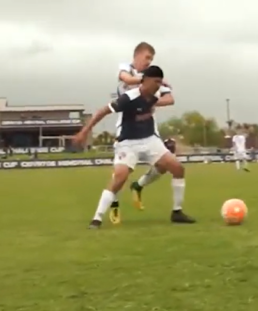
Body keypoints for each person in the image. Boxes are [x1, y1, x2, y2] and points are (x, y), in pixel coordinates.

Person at [74, 65, 194, 229]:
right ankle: (97, 218)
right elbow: (102, 111)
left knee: (178, 168)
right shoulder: (128, 98)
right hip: (128, 143)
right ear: (145, 80)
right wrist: (84, 131)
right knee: (120, 177)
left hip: (150, 140)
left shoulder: (155, 95)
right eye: (156, 81)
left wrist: (159, 96)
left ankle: (177, 212)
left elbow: (170, 98)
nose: (158, 85)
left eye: (160, 82)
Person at [118, 42, 175, 214]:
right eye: (147, 57)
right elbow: (127, 79)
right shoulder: (125, 68)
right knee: (122, 172)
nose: (149, 61)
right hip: (127, 127)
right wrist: (149, 80)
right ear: (137, 55)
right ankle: (113, 204)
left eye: (152, 59)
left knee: (165, 165)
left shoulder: (152, 76)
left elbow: (170, 98)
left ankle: (138, 185)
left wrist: (153, 101)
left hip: (148, 128)